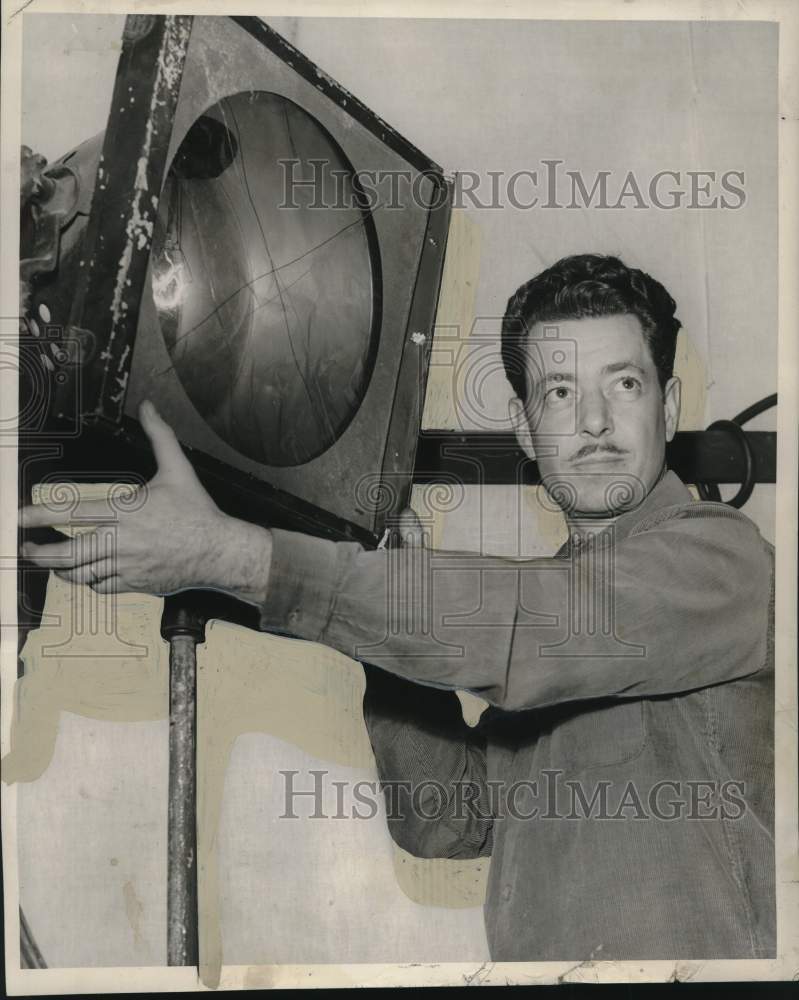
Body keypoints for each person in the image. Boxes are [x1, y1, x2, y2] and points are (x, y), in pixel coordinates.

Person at [19, 254, 774, 961]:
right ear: (523, 428)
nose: (595, 423)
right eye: (560, 392)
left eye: (625, 385)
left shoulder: (720, 560)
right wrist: (387, 598)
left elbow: (527, 629)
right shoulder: (533, 622)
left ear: (668, 407)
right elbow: (447, 818)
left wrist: (237, 558)